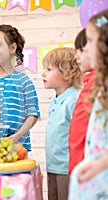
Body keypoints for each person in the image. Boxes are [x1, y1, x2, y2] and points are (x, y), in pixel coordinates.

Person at [68, 9, 108, 199]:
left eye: (90, 41)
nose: (86, 48)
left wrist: (102, 163)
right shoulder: (101, 84)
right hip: (95, 174)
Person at [0, 24, 40, 151]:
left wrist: (17, 136)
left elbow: (33, 114)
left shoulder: (24, 81)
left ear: (13, 47)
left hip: (18, 147)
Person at [42, 47, 82, 200]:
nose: (43, 73)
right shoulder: (56, 99)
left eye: (49, 69)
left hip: (66, 167)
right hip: (53, 165)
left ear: (67, 73)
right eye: (44, 69)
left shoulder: (74, 99)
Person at [68, 28, 95, 176]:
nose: (76, 57)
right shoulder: (90, 82)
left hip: (89, 168)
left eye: (81, 51)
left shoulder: (99, 84)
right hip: (81, 165)